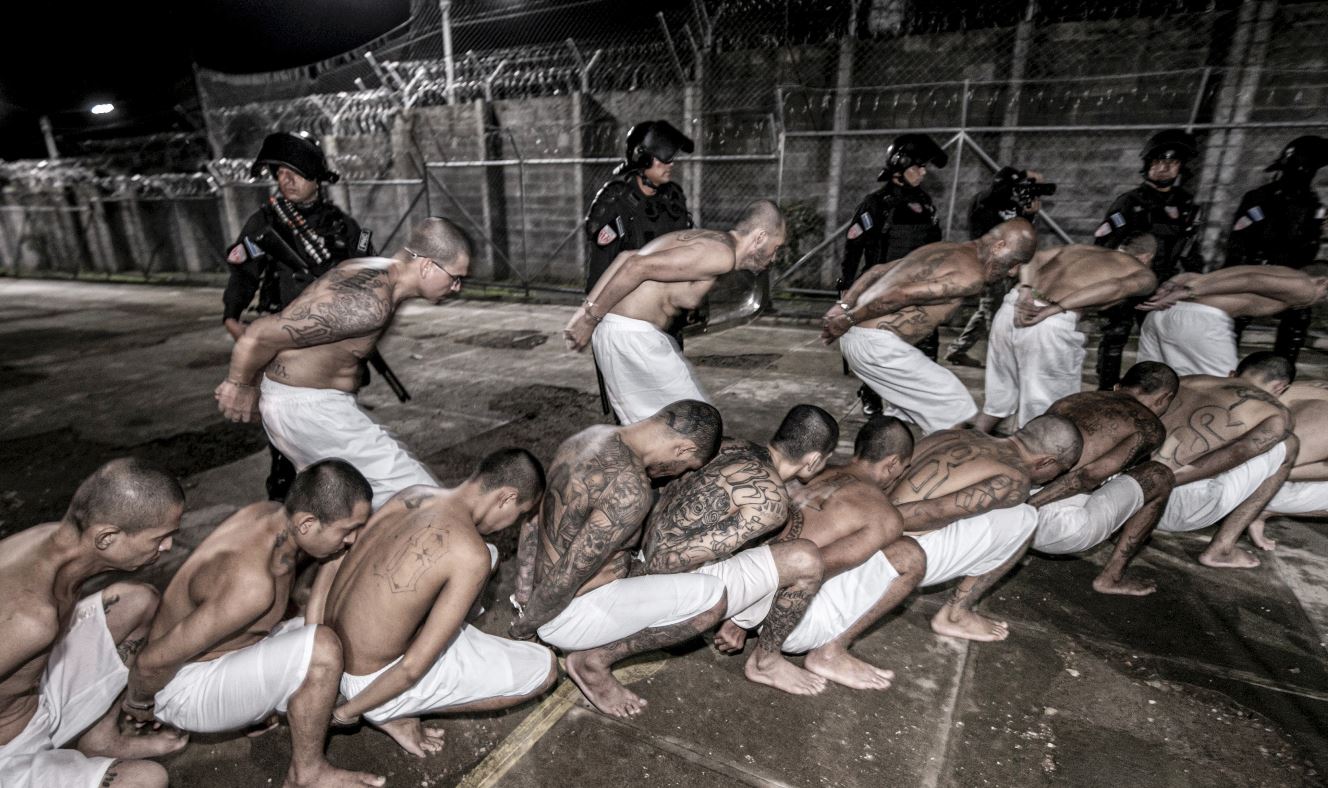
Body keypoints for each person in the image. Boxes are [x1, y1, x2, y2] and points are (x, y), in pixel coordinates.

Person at [124, 460, 381, 787]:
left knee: (333, 627)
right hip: (181, 687)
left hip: (215, 655)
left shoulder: (269, 514)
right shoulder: (252, 587)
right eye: (347, 530)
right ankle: (307, 774)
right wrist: (138, 703)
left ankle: (264, 708)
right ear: (306, 523)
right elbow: (152, 662)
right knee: (324, 650)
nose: (352, 539)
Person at [215, 216, 473, 510]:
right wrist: (239, 385)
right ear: (427, 265)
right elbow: (260, 335)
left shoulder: (372, 268)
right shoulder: (368, 303)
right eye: (455, 277)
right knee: (426, 502)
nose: (456, 287)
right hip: (312, 411)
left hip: (303, 407)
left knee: (342, 509)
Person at [322, 450, 556, 756]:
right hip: (369, 683)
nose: (513, 524)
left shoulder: (414, 494)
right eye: (520, 513)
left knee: (489, 554)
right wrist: (345, 713)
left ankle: (386, 695)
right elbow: (411, 668)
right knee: (544, 668)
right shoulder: (470, 555)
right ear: (506, 497)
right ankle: (390, 711)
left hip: (329, 651)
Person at [508, 400, 727, 718]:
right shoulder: (630, 489)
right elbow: (567, 575)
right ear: (682, 448)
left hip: (541, 598)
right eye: (687, 466)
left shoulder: (588, 436)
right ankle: (591, 664)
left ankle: (549, 626)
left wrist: (524, 596)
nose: (679, 473)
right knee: (714, 600)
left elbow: (534, 522)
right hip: (565, 612)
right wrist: (525, 630)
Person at [0, 459, 188, 788]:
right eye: (159, 538)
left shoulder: (51, 541)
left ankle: (101, 738)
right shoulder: (30, 619)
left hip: (38, 693)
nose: (168, 546)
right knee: (146, 781)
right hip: (9, 749)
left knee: (138, 602)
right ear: (107, 537)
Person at [635, 405, 837, 695]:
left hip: (642, 551)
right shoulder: (771, 500)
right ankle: (766, 662)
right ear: (814, 460)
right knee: (804, 560)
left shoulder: (727, 444)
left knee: (767, 550)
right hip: (660, 582)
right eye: (826, 460)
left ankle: (740, 622)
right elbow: (664, 561)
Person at [713, 417, 925, 691]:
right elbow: (812, 569)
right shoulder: (885, 515)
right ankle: (827, 653)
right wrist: (741, 619)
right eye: (904, 469)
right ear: (893, 463)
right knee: (909, 555)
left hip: (732, 576)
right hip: (779, 617)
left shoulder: (809, 471)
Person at [223, 131, 375, 502]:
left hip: (331, 345)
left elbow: (370, 280)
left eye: (295, 173)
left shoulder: (344, 226)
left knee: (335, 431)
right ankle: (287, 509)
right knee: (285, 440)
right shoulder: (264, 223)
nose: (285, 180)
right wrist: (232, 315)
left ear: (316, 178)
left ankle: (335, 502)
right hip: (283, 345)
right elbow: (243, 274)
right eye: (279, 173)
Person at [562, 201, 786, 424]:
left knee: (661, 430)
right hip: (632, 337)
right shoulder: (722, 255)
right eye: (776, 248)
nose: (775, 257)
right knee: (695, 425)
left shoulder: (713, 240)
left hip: (631, 334)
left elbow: (627, 257)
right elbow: (636, 266)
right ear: (760, 237)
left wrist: (584, 310)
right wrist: (589, 319)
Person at [822, 219, 1038, 434]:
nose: (1012, 272)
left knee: (903, 418)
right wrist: (847, 319)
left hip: (860, 340)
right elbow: (898, 295)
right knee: (958, 411)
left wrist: (843, 306)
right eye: (1014, 262)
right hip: (876, 346)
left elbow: (877, 270)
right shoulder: (971, 276)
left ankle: (887, 449)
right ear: (999, 246)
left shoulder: (944, 248)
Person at [891, 416, 1081, 641]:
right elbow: (931, 513)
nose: (1052, 479)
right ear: (1046, 462)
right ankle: (955, 616)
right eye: (1060, 471)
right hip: (889, 555)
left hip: (865, 519)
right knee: (1025, 518)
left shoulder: (955, 433)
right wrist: (876, 530)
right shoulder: (1014, 477)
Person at [974, 236, 1158, 431]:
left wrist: (1026, 290)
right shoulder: (1142, 273)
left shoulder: (1078, 248)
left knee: (1000, 395)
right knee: (1049, 407)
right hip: (1048, 321)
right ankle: (1029, 447)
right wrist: (1056, 308)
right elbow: (1115, 287)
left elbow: (1031, 257)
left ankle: (973, 438)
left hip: (1014, 306)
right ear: (1147, 256)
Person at [1027, 363, 1179, 595]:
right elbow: (1088, 476)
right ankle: (1111, 578)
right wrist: (1030, 507)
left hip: (1009, 512)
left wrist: (1017, 509)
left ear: (1118, 386)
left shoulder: (1072, 400)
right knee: (1159, 475)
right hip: (1058, 529)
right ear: (1164, 398)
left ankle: (1015, 546)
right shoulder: (1148, 425)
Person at [585, 120, 697, 420]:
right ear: (642, 158)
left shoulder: (673, 198)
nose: (671, 164)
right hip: (628, 325)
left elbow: (686, 252)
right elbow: (599, 274)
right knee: (635, 415)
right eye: (664, 158)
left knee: (672, 406)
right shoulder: (615, 202)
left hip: (667, 320)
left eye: (672, 158)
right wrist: (597, 321)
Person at [1153, 352, 1298, 568]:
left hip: (1124, 492)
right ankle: (1221, 549)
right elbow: (1238, 452)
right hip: (1178, 507)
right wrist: (1163, 481)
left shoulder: (1187, 380)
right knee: (1290, 444)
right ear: (1280, 387)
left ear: (1232, 373)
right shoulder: (1277, 412)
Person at [838, 133, 948, 411]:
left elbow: (934, 245)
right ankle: (870, 393)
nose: (923, 172)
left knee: (927, 343)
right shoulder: (876, 204)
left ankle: (921, 398)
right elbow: (854, 246)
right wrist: (847, 286)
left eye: (925, 167)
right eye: (918, 166)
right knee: (880, 347)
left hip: (917, 288)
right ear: (900, 166)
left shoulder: (925, 203)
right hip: (882, 289)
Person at [1093, 129, 1204, 390]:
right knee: (1116, 335)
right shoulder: (1129, 202)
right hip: (1129, 281)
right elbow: (1104, 245)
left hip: (1165, 284)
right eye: (1158, 162)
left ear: (1180, 167)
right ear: (1148, 165)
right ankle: (1107, 389)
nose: (1165, 168)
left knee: (1162, 338)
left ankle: (1150, 389)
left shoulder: (1186, 204)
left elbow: (1191, 248)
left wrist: (1193, 282)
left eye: (1172, 162)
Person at [1224, 135, 1328, 365]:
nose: (1305, 174)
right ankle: (1223, 366)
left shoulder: (1312, 205)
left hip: (1286, 274)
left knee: (1299, 313)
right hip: (1253, 272)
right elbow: (1239, 241)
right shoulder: (1260, 198)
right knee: (1236, 315)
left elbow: (1308, 251)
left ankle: (1283, 369)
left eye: (1310, 169)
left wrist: (1313, 233)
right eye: (1303, 167)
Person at [1136, 265, 1328, 377]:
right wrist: (1187, 292)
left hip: (1163, 314)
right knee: (1220, 392)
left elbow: (1193, 276)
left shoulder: (1276, 271)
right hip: (1200, 318)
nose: (1321, 300)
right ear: (1323, 281)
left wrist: (1170, 285)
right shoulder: (1306, 287)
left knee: (1152, 384)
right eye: (1325, 295)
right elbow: (1252, 280)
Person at [946, 166, 1048, 368]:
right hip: (991, 263)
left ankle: (958, 349)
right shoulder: (985, 201)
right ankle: (1001, 362)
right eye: (1014, 186)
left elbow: (1021, 233)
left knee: (989, 309)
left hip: (1011, 262)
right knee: (995, 313)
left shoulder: (1012, 203)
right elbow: (991, 234)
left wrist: (1029, 215)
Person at [1250, 377, 1328, 546]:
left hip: (1220, 461)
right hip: (1247, 484)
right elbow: (1276, 470)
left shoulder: (1311, 388)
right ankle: (1260, 510)